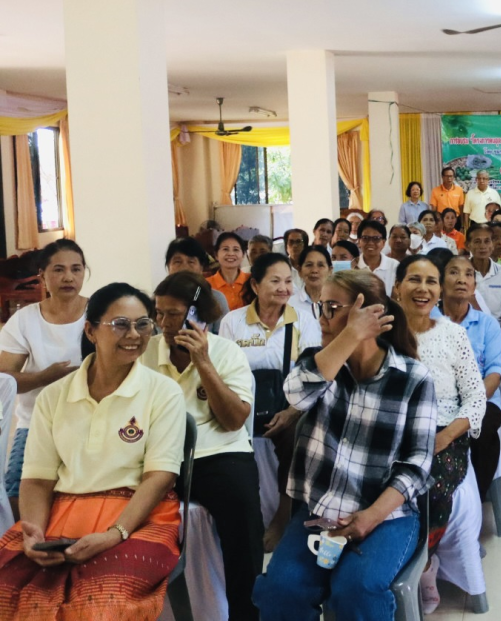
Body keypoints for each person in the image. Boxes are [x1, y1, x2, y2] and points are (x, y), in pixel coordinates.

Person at [251, 270, 436, 620]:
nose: (321, 318)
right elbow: (295, 394)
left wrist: (371, 517)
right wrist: (349, 335)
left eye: (331, 308)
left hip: (386, 516)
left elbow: (417, 464)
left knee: (357, 588)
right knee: (281, 589)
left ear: (369, 313)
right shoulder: (321, 364)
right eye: (320, 307)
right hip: (319, 512)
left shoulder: (413, 378)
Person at [0, 284, 184, 620]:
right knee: (10, 596)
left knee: (98, 606)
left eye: (143, 324)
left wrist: (115, 534)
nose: (134, 335)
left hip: (138, 517)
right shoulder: (54, 396)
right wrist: (33, 533)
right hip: (61, 513)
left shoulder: (163, 392)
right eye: (120, 324)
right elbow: (37, 479)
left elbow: (160, 477)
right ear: (90, 331)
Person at [146, 272, 261, 620]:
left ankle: (244, 612)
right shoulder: (147, 352)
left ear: (198, 316)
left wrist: (203, 362)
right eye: (159, 313)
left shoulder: (227, 352)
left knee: (242, 512)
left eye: (173, 314)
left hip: (219, 453)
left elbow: (234, 420)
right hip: (159, 454)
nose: (164, 323)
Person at [392, 256, 487, 614]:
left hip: (443, 431)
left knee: (430, 488)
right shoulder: (382, 335)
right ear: (397, 287)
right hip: (393, 431)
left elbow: (475, 398)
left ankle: (424, 564)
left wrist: (445, 438)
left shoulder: (452, 334)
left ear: (439, 290)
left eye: (431, 281)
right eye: (414, 280)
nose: (423, 289)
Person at [219, 253, 322, 550]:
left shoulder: (303, 320)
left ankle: (283, 515)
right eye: (275, 281)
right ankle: (242, 516)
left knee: (296, 436)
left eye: (288, 281)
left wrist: (291, 412)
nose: (283, 288)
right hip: (243, 404)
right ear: (255, 285)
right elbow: (223, 370)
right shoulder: (233, 321)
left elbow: (312, 372)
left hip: (288, 405)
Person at [0, 240, 89, 521]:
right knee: (16, 497)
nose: (68, 277)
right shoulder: (25, 320)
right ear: (42, 276)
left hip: (92, 420)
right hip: (35, 423)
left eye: (76, 269)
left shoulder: (100, 313)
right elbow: (4, 381)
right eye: (59, 270)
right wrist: (43, 377)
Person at [438, 255, 501, 500]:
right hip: (438, 400)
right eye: (454, 272)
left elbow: (495, 373)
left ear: (474, 286)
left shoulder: (487, 324)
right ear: (440, 283)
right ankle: (440, 502)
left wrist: (471, 405)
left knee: (483, 432)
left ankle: (475, 500)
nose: (462, 279)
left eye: (468, 274)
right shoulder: (429, 322)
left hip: (482, 400)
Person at [467, 224, 501, 439]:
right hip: (470, 334)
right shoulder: (463, 271)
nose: (482, 246)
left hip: (500, 332)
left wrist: (496, 338)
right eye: (477, 242)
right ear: (468, 245)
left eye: (487, 241)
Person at [356, 219, 400, 296]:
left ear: (383, 242)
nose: (370, 243)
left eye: (376, 238)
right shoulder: (352, 266)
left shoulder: (394, 266)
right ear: (359, 241)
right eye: (365, 238)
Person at [207, 232, 249, 312]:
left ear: (243, 255)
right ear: (216, 255)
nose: (231, 254)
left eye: (236, 249)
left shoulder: (252, 281)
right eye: (225, 249)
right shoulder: (206, 285)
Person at [290, 245, 332, 317]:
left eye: (320, 265)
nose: (314, 270)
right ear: (299, 270)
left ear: (330, 271)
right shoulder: (290, 305)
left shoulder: (338, 303)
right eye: (309, 265)